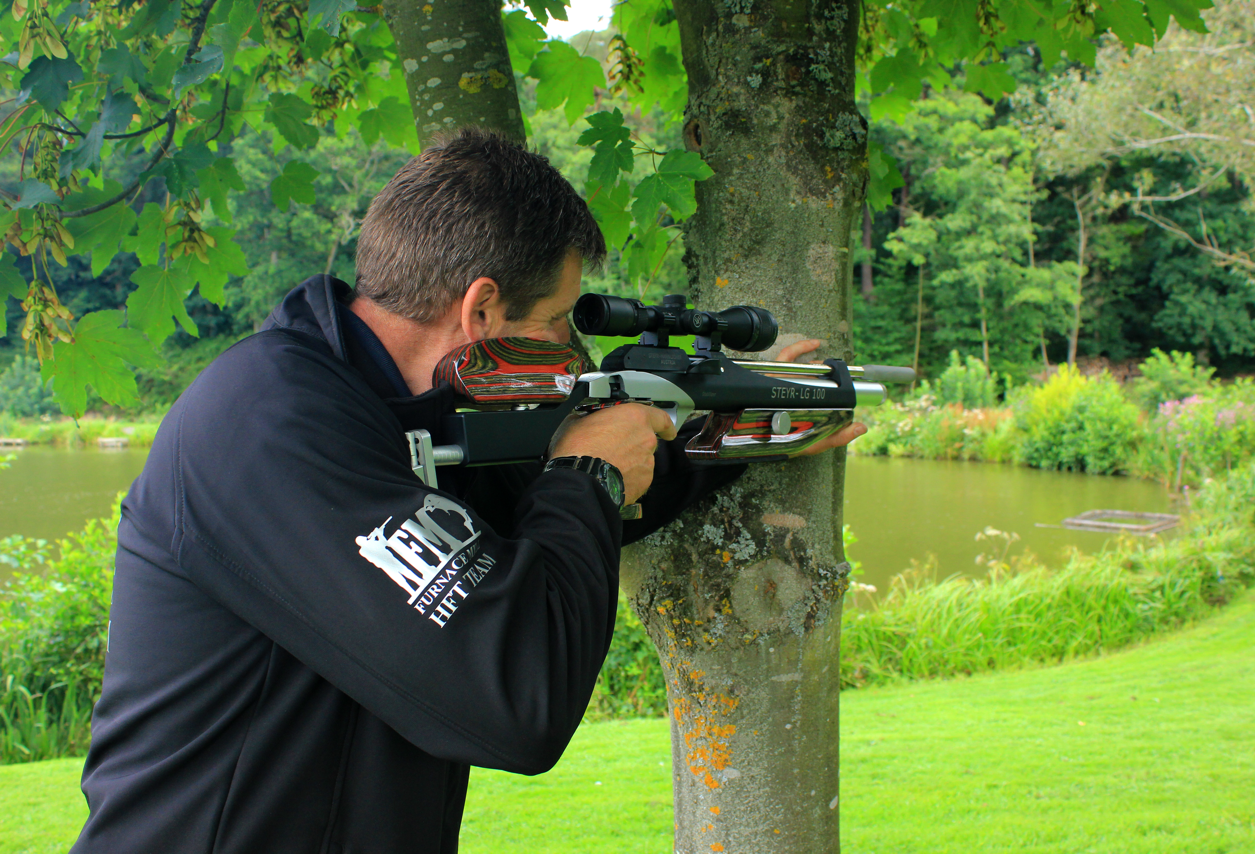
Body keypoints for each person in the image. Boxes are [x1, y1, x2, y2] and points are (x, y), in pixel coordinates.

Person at [70, 129, 863, 853]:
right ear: (480, 308)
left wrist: (746, 419)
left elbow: (563, 519)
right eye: (558, 321)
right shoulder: (265, 423)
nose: (569, 346)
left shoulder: (411, 410)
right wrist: (588, 472)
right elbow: (517, 701)